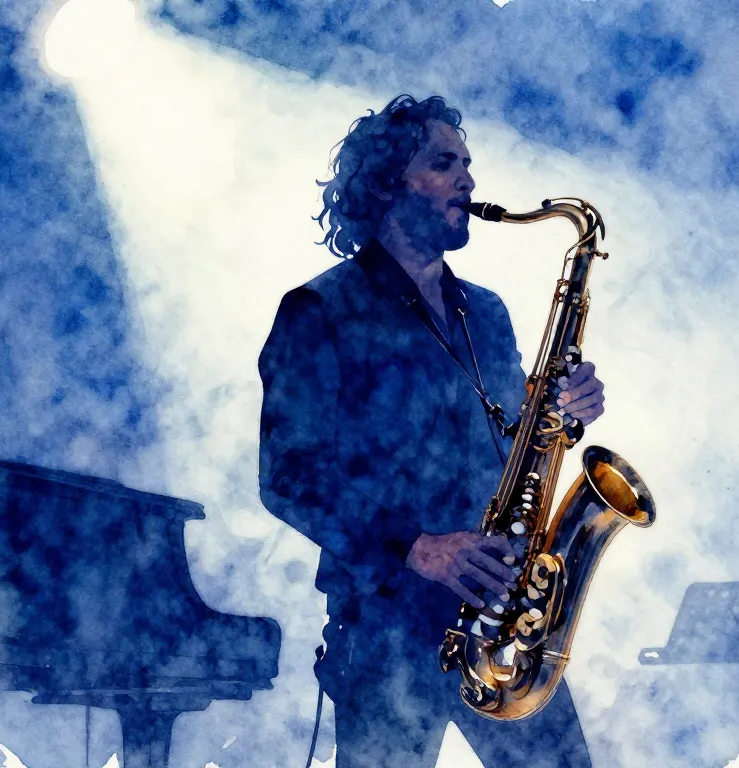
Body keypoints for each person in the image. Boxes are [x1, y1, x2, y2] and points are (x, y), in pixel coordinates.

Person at [258, 95, 606, 768]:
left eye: (467, 163)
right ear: (388, 182)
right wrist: (416, 547)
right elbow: (289, 478)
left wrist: (560, 414)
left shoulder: (487, 311)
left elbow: (512, 441)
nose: (468, 180)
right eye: (444, 163)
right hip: (385, 628)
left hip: (501, 616)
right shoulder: (319, 310)